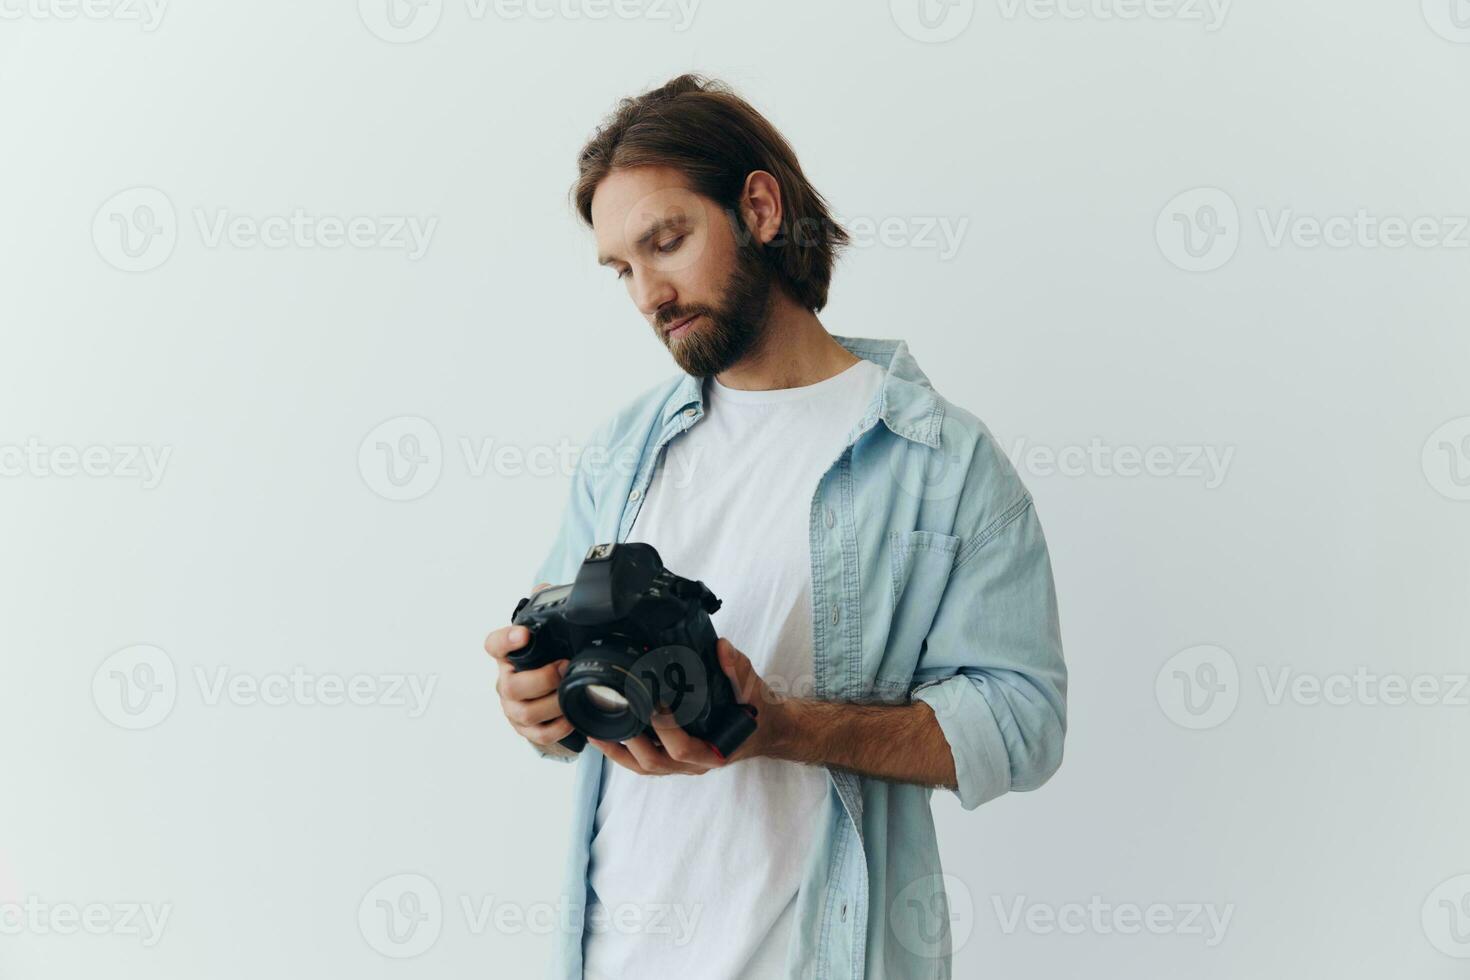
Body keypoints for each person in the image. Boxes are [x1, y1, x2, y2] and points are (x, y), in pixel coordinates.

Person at [483, 73, 1068, 980]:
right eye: (623, 269)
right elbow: (571, 693)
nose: (648, 294)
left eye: (666, 242)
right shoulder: (621, 454)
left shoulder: (943, 463)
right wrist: (540, 709)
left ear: (758, 206)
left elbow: (1023, 723)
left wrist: (780, 726)